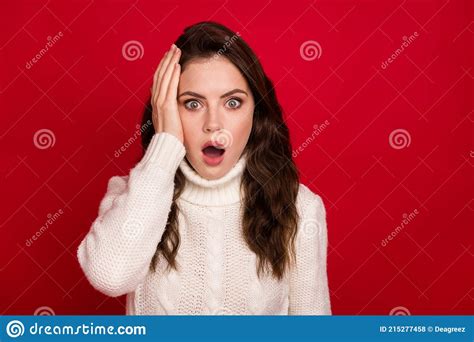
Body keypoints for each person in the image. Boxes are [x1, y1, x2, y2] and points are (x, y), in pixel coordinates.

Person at [77, 21, 331, 315]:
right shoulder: (131, 196)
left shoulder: (299, 208)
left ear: (256, 113)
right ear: (167, 110)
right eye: (193, 104)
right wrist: (165, 144)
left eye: (233, 102)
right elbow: (110, 277)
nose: (213, 123)